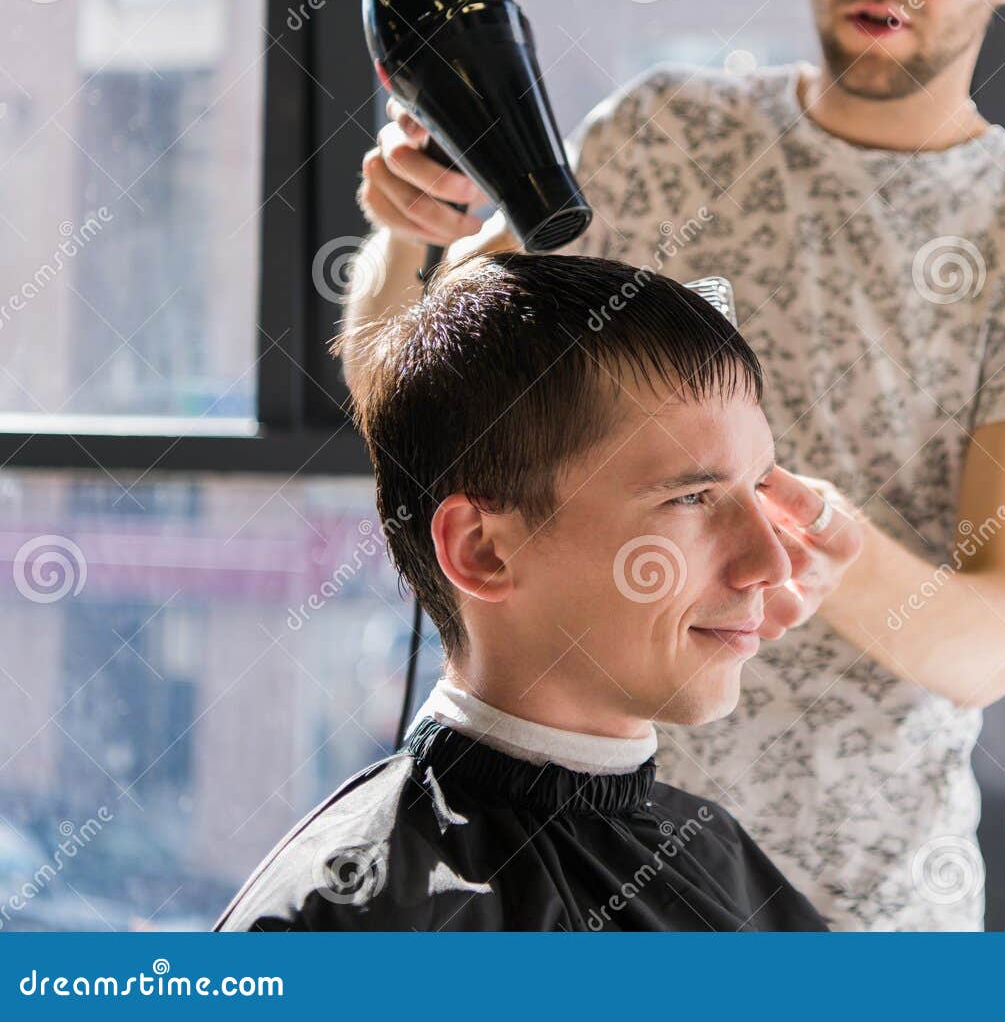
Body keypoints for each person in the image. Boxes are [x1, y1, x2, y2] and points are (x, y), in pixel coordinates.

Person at [343, 0, 1005, 930]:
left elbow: (993, 641)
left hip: (862, 903)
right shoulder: (662, 138)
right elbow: (387, 382)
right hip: (578, 863)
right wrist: (416, 224)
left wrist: (834, 549)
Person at [216, 253, 827, 931]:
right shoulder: (342, 922)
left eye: (759, 489)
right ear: (483, 548)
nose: (768, 561)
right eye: (691, 497)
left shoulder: (720, 862)